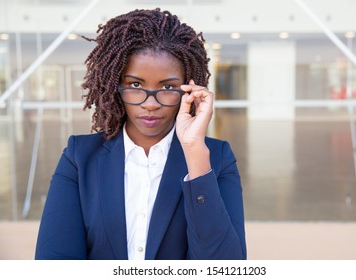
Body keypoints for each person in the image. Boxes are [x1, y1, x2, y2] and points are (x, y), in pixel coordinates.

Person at [35, 8, 246, 260]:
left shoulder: (217, 158)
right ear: (116, 86)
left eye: (168, 87)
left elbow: (225, 267)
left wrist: (194, 154)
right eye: (135, 85)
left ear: (189, 89)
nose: (150, 103)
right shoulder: (79, 158)